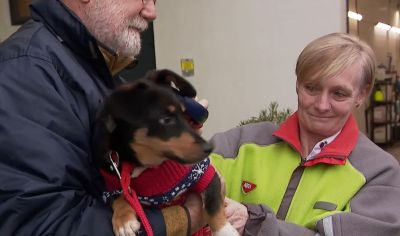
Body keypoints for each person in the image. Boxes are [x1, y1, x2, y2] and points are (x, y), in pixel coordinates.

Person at [0, 0, 200, 235]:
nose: (151, 12)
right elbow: (45, 226)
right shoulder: (25, 73)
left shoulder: (95, 69)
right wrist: (189, 216)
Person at [205, 32, 400, 235]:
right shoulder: (240, 144)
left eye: (339, 94)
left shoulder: (379, 173)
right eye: (312, 88)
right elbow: (180, 176)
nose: (322, 105)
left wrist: (255, 223)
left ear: (361, 94)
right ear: (297, 84)